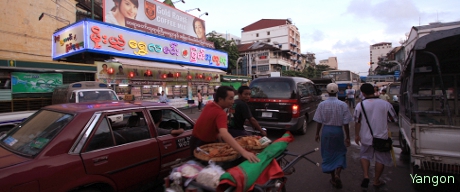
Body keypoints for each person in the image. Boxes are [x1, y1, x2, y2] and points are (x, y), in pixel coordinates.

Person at [191, 86, 260, 163]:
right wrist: (243, 152)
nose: (233, 101)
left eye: (233, 98)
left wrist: (218, 135)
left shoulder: (209, 105)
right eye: (230, 99)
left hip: (194, 141)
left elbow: (209, 125)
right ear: (220, 99)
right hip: (204, 146)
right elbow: (224, 134)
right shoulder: (221, 113)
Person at [354, 83, 397, 189]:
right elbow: (393, 119)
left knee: (364, 156)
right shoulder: (385, 104)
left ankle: (366, 176)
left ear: (363, 93)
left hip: (366, 137)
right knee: (380, 159)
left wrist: (356, 135)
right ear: (374, 90)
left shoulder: (360, 105)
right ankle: (376, 180)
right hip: (382, 137)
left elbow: (357, 121)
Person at [313, 83, 353, 189]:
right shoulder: (343, 105)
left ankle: (332, 176)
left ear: (327, 92)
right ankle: (338, 174)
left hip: (326, 131)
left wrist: (317, 133)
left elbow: (319, 121)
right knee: (340, 152)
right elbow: (346, 123)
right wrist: (348, 137)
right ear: (337, 92)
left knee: (328, 153)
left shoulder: (322, 104)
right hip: (338, 131)